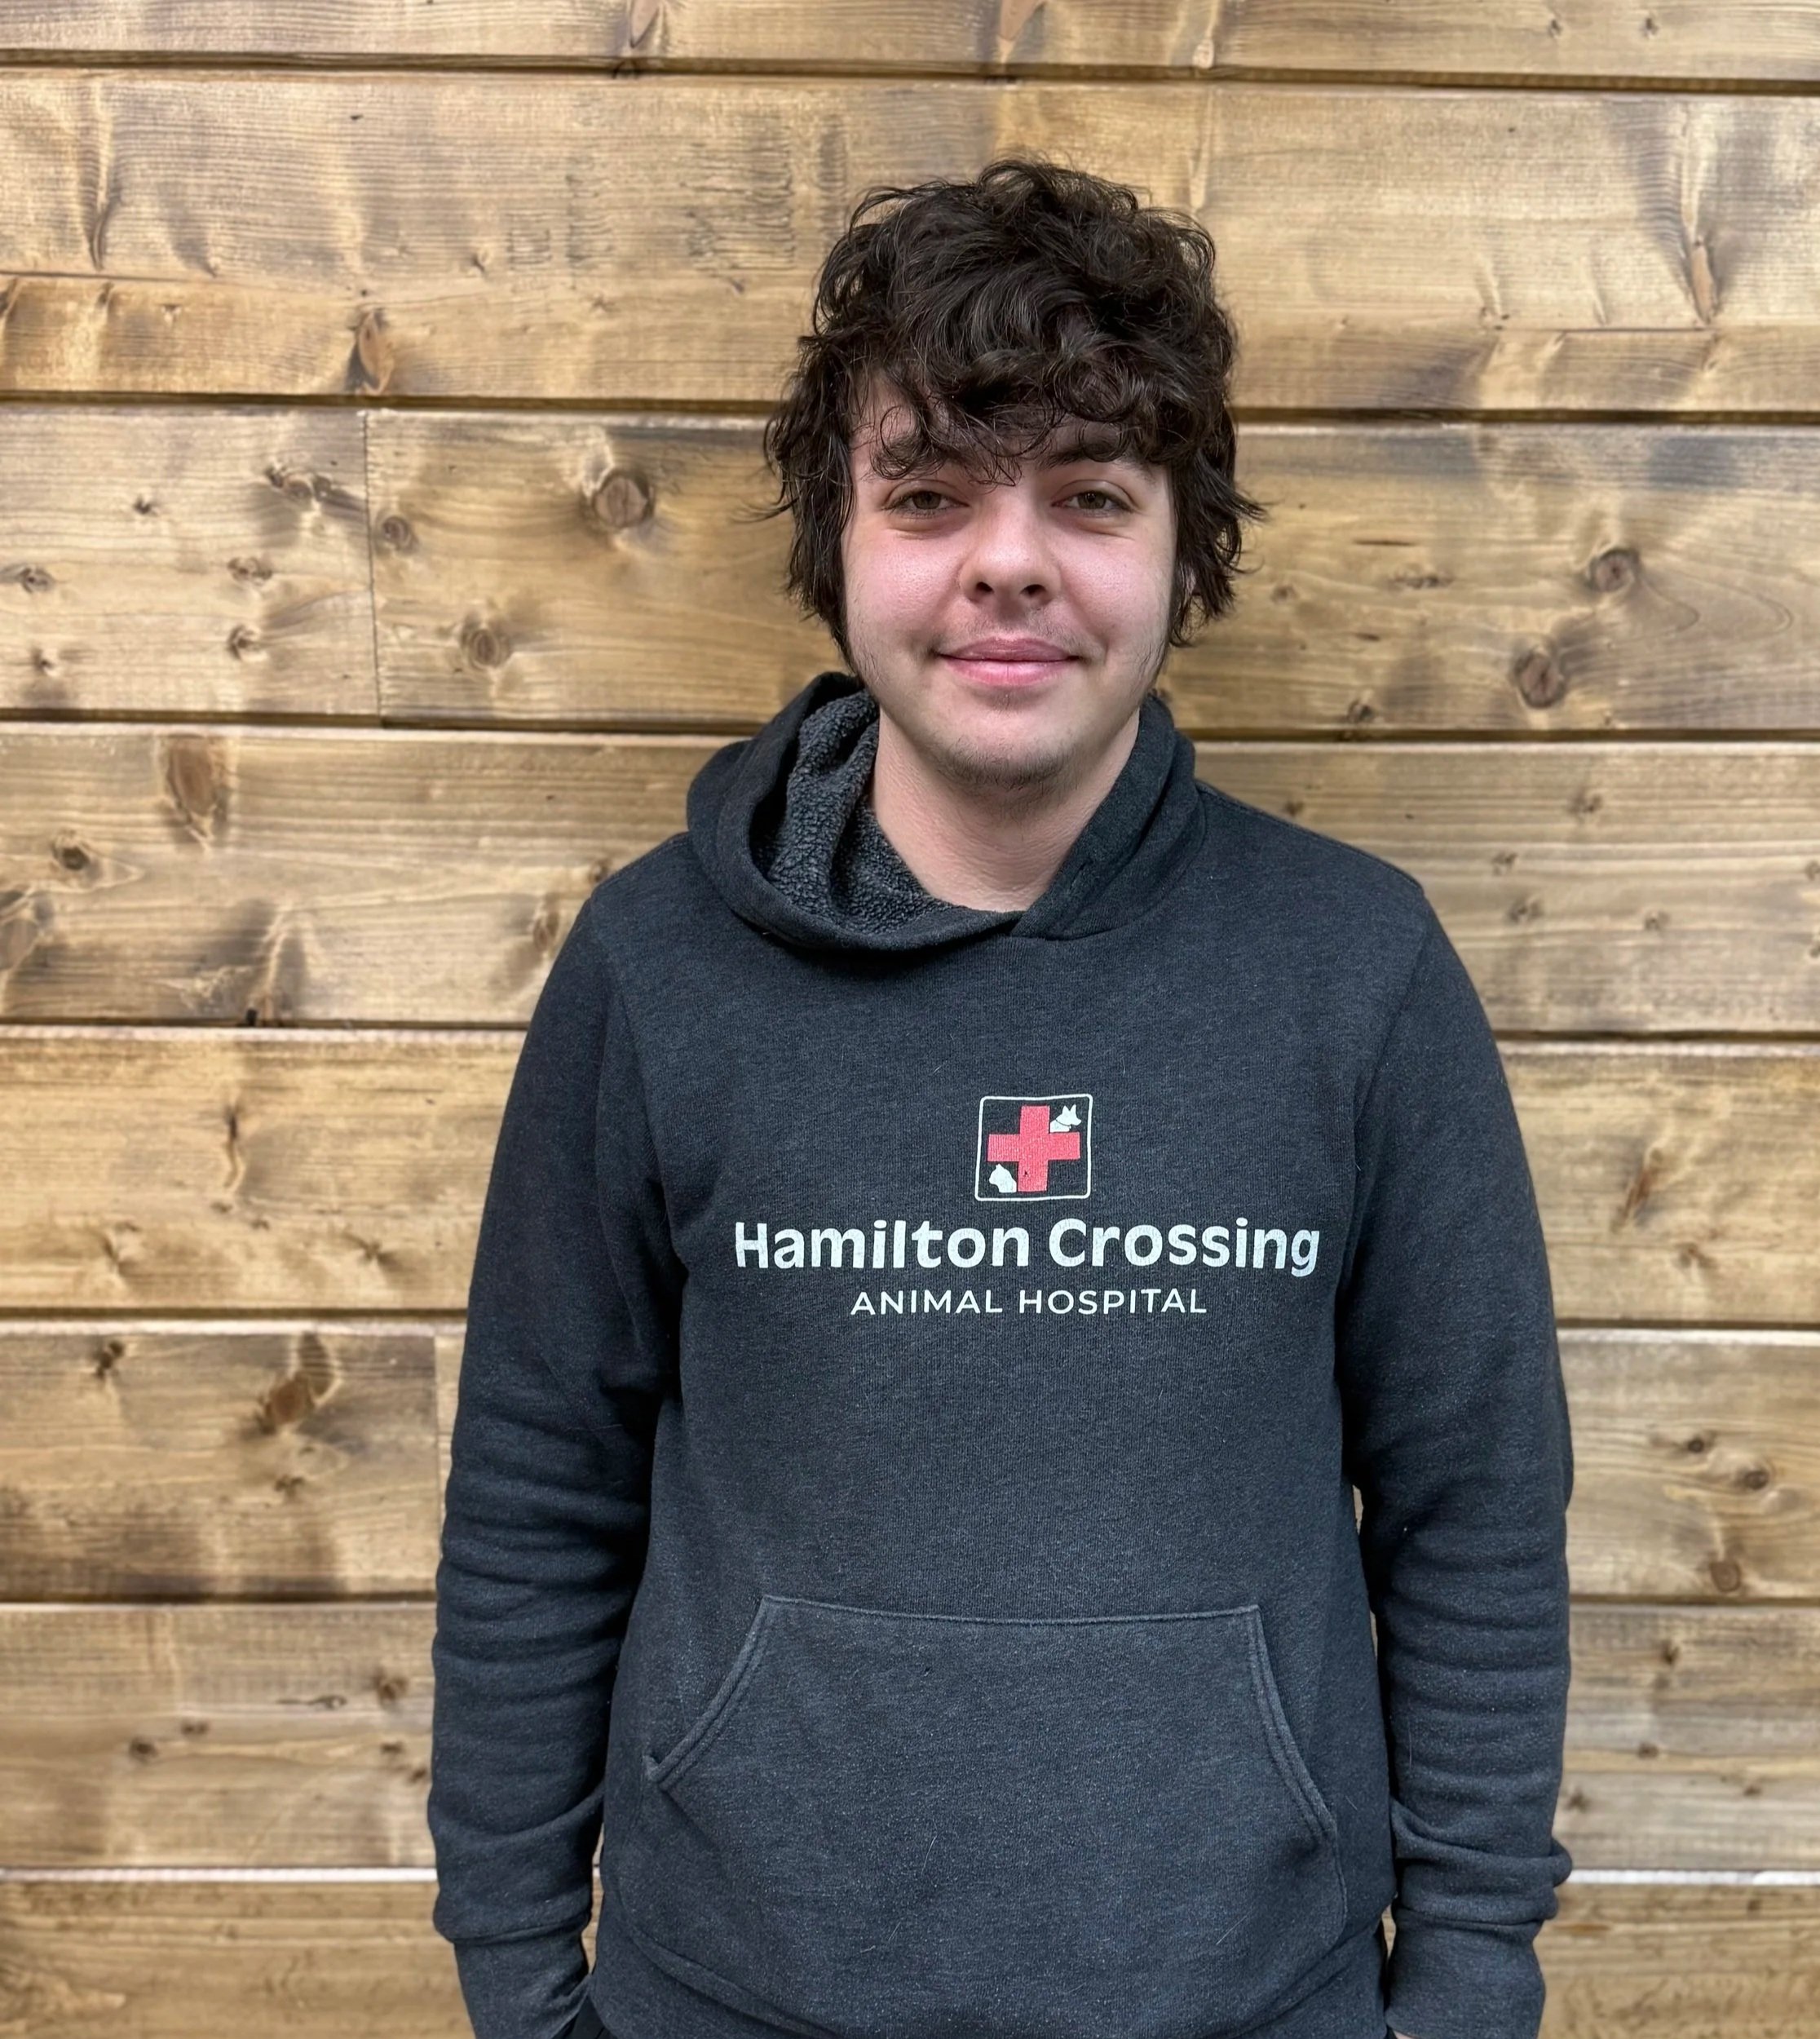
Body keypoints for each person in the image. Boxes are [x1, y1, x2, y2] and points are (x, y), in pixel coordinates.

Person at [428, 156, 1574, 2039]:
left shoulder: (1355, 974)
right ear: (839, 545)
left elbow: (1471, 1511)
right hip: (731, 1993)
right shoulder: (654, 970)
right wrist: (514, 1974)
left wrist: (1461, 1988)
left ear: (1178, 548)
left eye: (1090, 495)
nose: (1009, 559)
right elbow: (538, 1495)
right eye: (931, 493)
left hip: (1247, 1996)